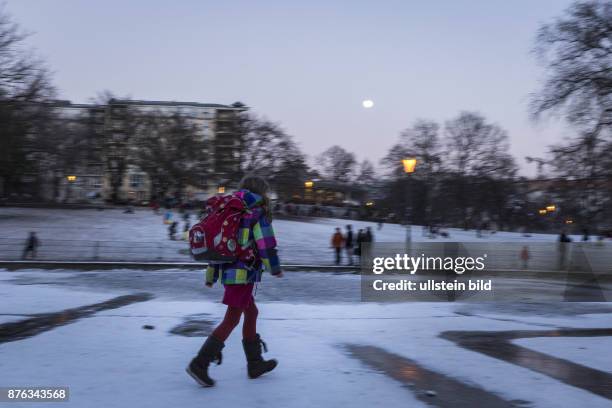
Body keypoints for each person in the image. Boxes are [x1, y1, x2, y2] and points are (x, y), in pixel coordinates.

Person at [186, 175, 282, 387]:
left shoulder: (228, 208)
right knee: (232, 319)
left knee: (252, 312)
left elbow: (217, 246)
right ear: (262, 191)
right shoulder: (255, 211)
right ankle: (200, 363)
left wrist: (211, 275)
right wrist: (274, 267)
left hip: (229, 271)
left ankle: (255, 364)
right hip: (243, 273)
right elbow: (265, 243)